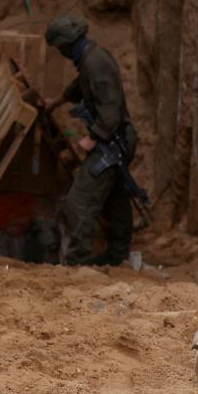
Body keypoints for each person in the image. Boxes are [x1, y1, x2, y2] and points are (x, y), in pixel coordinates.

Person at [43, 14, 137, 267]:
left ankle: (77, 262)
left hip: (111, 142)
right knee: (115, 199)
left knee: (79, 201)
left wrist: (93, 137)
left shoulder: (95, 62)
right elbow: (81, 85)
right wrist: (59, 100)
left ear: (66, 44)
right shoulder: (90, 59)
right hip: (115, 139)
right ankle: (118, 256)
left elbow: (111, 110)